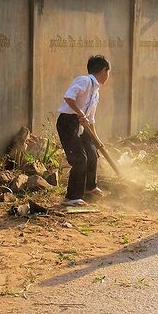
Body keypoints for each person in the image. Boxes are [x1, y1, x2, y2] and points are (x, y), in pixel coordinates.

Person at [56, 55, 111, 206]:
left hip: (83, 124)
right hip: (68, 123)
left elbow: (90, 119)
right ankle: (71, 197)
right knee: (80, 159)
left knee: (93, 154)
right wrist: (80, 114)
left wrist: (97, 141)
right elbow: (68, 97)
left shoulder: (96, 92)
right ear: (104, 70)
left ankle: (89, 187)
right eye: (108, 72)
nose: (108, 76)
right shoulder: (85, 81)